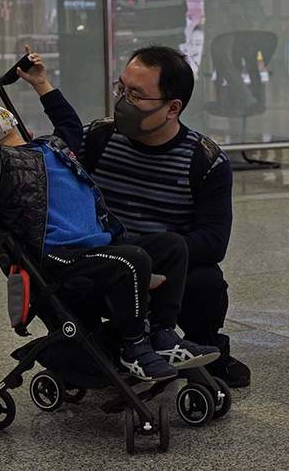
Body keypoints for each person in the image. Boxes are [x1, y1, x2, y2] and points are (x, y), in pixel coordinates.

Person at [0, 49, 218, 381]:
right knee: (132, 260)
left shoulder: (51, 147)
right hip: (63, 255)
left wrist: (42, 84)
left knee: (173, 247)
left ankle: (161, 335)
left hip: (103, 241)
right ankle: (134, 348)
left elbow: (70, 124)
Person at [80, 46, 251, 387]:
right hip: (104, 261)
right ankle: (91, 352)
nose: (122, 103)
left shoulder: (205, 161)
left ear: (173, 108)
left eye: (136, 95)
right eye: (122, 89)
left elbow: (214, 241)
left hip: (167, 266)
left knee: (207, 282)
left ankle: (205, 349)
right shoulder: (96, 140)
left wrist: (152, 260)